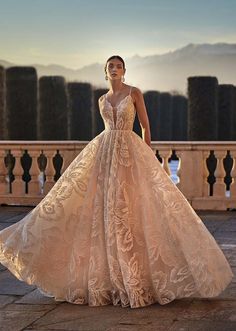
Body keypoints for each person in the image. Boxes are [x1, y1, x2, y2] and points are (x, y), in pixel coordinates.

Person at [0, 55, 234, 308]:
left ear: (124, 71)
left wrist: (146, 156)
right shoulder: (102, 99)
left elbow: (145, 127)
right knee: (99, 211)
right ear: (106, 71)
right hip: (104, 152)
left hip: (129, 152)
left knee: (131, 211)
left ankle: (135, 275)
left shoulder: (134, 93)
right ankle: (105, 278)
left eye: (118, 66)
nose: (114, 69)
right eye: (111, 66)